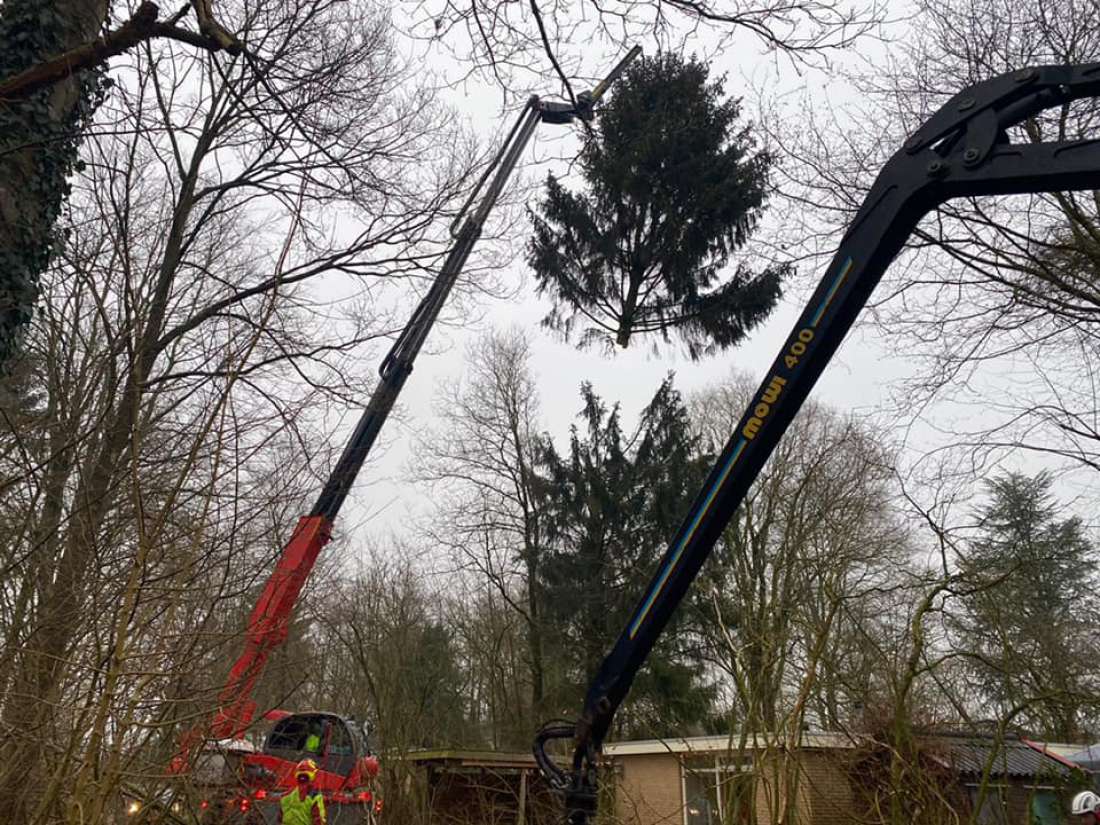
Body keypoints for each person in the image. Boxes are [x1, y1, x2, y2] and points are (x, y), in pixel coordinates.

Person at [278, 758, 326, 825]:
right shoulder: (315, 797)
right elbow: (318, 821)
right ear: (313, 775)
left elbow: (280, 819)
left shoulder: (285, 796)